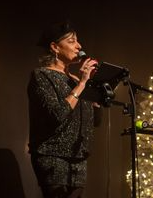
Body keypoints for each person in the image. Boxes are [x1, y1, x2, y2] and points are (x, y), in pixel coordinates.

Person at [27, 21, 100, 198]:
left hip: (78, 158)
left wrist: (92, 88)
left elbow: (96, 121)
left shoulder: (77, 80)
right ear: (55, 47)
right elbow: (57, 114)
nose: (79, 46)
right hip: (53, 156)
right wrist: (82, 84)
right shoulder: (42, 75)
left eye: (78, 41)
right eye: (72, 41)